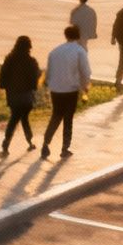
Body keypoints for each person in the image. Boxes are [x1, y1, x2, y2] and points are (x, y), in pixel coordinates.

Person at [39, 24, 91, 161]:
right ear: (78, 36)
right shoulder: (80, 51)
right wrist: (86, 87)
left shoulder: (55, 51)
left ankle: (45, 143)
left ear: (66, 35)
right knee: (68, 119)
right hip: (71, 89)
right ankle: (64, 148)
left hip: (55, 89)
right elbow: (85, 72)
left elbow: (48, 71)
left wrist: (48, 84)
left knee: (56, 116)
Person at [0, 35, 40, 157]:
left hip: (13, 95)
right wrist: (32, 88)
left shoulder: (9, 59)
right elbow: (34, 81)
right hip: (26, 96)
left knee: (15, 118)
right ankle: (29, 141)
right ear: (29, 47)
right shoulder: (32, 62)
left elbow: (3, 76)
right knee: (23, 118)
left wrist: (5, 86)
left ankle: (7, 145)